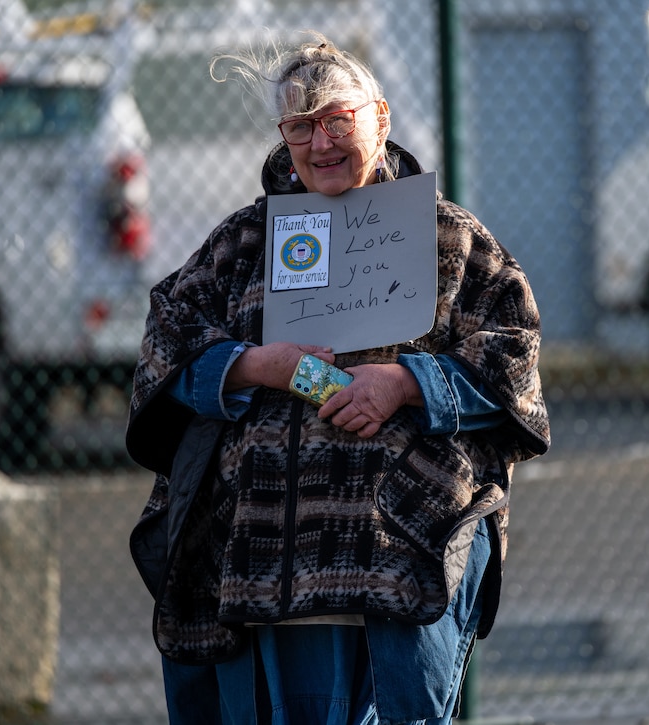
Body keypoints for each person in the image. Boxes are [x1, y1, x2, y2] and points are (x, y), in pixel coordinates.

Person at [126, 33, 550, 725]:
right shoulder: (241, 244)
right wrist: (258, 364)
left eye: (337, 120)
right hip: (257, 547)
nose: (320, 142)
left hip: (396, 544)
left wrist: (408, 382)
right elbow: (164, 345)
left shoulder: (453, 240)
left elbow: (513, 355)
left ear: (380, 119)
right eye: (300, 125)